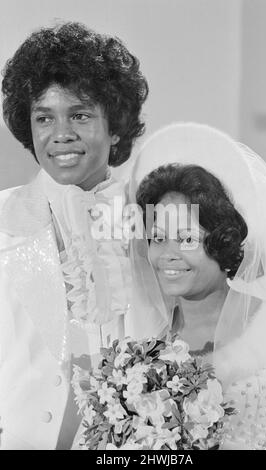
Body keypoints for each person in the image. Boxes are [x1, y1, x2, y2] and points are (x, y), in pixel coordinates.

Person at [0, 21, 148, 450]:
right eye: (44, 117)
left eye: (80, 115)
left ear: (116, 126)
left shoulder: (149, 221)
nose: (61, 134)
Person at [128, 122, 266, 449]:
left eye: (186, 238)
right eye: (157, 238)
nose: (167, 255)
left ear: (222, 239)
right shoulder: (145, 338)